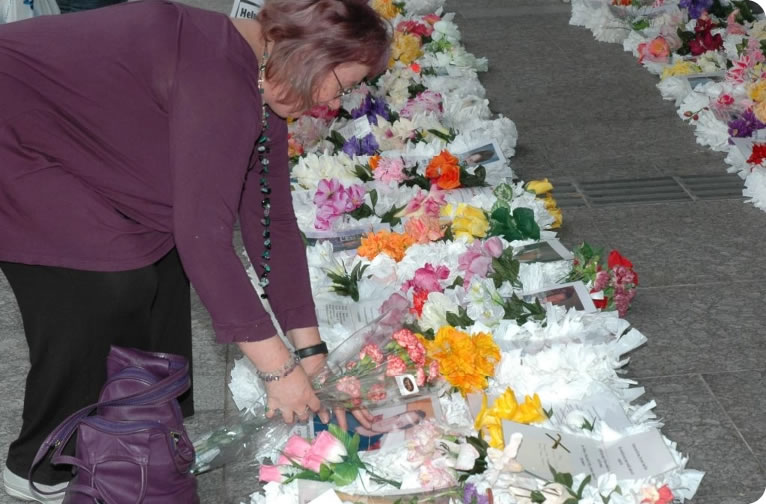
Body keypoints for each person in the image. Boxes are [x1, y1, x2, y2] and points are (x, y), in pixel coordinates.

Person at [0, 0, 389, 501]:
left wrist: (313, 359)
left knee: (161, 261)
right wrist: (279, 369)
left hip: (63, 134)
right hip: (15, 137)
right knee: (108, 284)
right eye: (343, 83)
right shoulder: (219, 77)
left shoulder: (255, 74)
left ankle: (140, 428)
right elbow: (205, 239)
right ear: (313, 56)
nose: (334, 101)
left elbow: (270, 221)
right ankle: (41, 465)